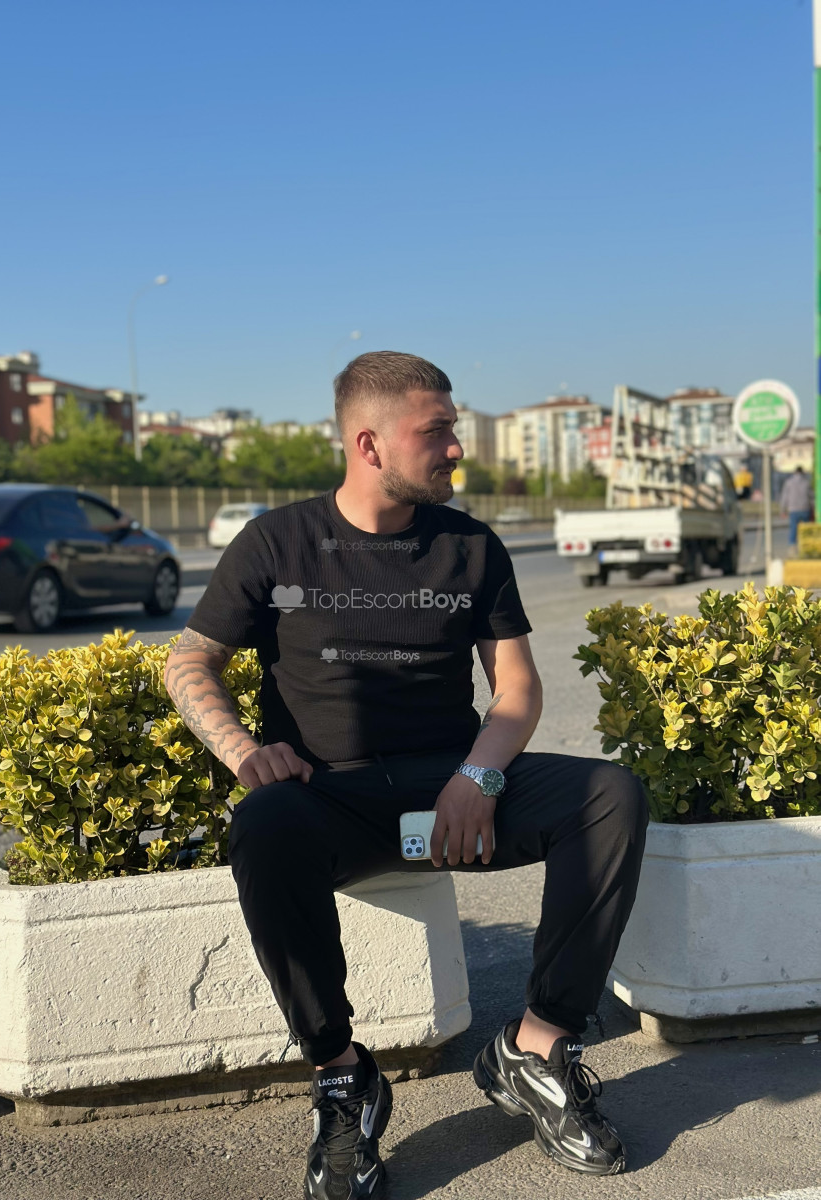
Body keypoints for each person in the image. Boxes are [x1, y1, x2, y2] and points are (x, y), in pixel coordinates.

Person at [164, 351, 649, 1197]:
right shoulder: (276, 541)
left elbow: (517, 690)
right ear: (370, 443)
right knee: (265, 823)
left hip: (454, 797)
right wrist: (244, 751)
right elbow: (189, 660)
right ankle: (342, 1075)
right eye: (438, 431)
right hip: (329, 800)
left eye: (454, 429)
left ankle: (536, 1048)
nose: (456, 448)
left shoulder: (470, 546)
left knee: (609, 795)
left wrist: (479, 778)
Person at [779, 465, 814, 553]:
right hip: (805, 508)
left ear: (795, 472)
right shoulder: (806, 482)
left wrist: (783, 510)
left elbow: (784, 497)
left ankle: (792, 547)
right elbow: (811, 497)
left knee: (793, 528)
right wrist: (813, 508)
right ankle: (806, 546)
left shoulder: (789, 482)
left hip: (793, 509)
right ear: (802, 472)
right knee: (805, 528)